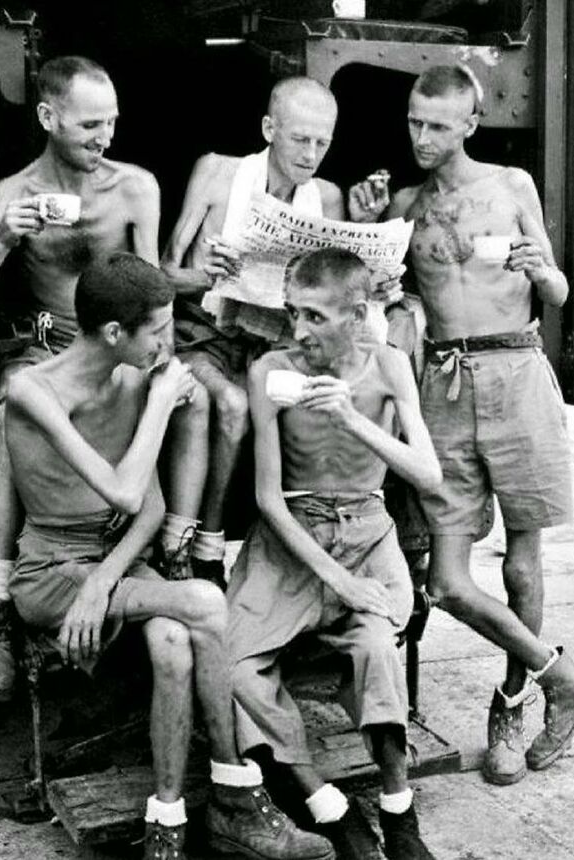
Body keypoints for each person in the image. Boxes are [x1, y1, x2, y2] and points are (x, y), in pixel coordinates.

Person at [5, 251, 336, 860]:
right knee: (206, 599)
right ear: (113, 333)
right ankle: (238, 793)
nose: (170, 341)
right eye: (158, 329)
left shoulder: (130, 379)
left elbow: (151, 510)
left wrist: (103, 583)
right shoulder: (33, 390)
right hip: (50, 572)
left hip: (113, 567)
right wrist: (161, 404)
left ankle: (169, 822)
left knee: (172, 638)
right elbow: (123, 491)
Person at [350, 64, 574, 785]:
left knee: (524, 565)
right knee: (447, 579)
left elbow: (556, 289)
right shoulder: (404, 202)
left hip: (518, 370)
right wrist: (368, 219)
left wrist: (540, 268)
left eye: (438, 124)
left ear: (471, 122)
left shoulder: (511, 186)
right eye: (414, 122)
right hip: (445, 379)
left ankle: (513, 701)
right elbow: (376, 292)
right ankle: (568, 677)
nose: (423, 136)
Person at [0, 56, 207, 702]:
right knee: (14, 411)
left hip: (123, 344)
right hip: (46, 350)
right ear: (47, 118)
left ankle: (177, 545)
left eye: (111, 123)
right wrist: (3, 241)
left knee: (201, 401)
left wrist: (166, 360)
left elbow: (151, 299)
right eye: (91, 125)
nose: (105, 138)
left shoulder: (136, 186)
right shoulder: (10, 196)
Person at [227, 249, 442, 860]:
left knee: (375, 648)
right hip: (292, 535)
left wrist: (351, 418)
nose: (300, 331)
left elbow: (427, 475)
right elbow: (268, 498)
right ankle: (327, 803)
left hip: (368, 530)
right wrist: (336, 583)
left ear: (357, 315)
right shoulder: (271, 370)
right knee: (236, 670)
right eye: (293, 313)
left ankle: (399, 810)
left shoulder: (390, 365)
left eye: (316, 318)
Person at [159, 76, 345, 586]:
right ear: (269, 128)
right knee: (235, 405)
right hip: (203, 338)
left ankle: (310, 547)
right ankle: (202, 548)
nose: (311, 154)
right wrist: (209, 276)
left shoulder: (325, 197)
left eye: (322, 142)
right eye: (299, 139)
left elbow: (335, 295)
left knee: (327, 406)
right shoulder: (217, 174)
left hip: (274, 345)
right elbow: (163, 274)